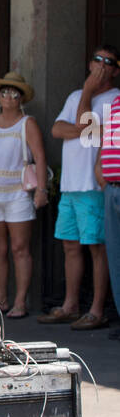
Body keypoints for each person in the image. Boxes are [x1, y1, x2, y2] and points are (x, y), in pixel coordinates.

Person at [37, 46, 120, 330]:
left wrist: (88, 91)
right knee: (70, 245)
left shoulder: (114, 98)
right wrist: (86, 122)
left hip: (93, 184)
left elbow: (84, 124)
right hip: (71, 184)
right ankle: (71, 305)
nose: (101, 65)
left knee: (97, 247)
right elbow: (58, 130)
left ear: (116, 70)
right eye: (97, 59)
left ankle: (97, 309)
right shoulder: (74, 96)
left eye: (108, 62)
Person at [0, 73, 48, 318]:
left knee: (20, 248)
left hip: (19, 193)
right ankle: (1, 299)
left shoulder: (27, 123)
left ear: (21, 99)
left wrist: (41, 190)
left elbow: (39, 156)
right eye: (4, 92)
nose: (8, 97)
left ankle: (21, 301)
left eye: (14, 93)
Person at [95, 83, 120, 339]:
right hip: (111, 188)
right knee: (116, 258)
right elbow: (108, 142)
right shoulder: (115, 105)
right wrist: (102, 177)